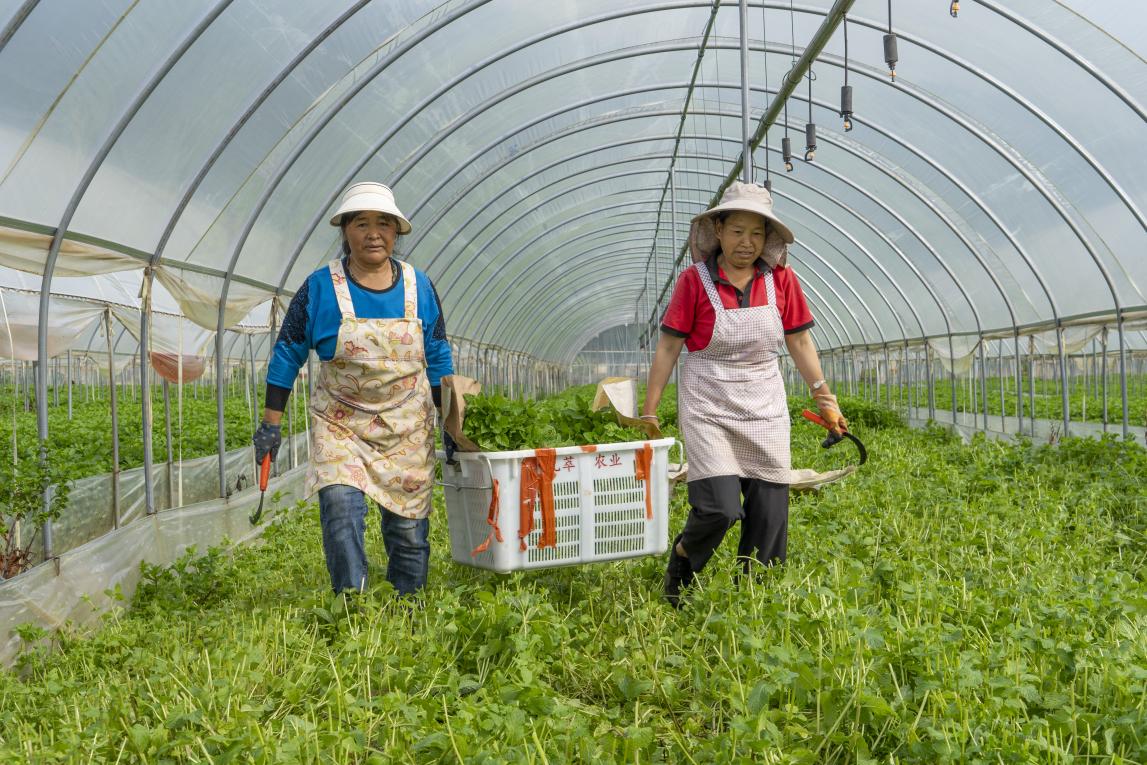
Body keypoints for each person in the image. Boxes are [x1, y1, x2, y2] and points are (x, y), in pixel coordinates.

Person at [640, 181, 847, 608]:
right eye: (737, 231)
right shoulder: (694, 281)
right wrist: (650, 410)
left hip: (764, 403)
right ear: (717, 230)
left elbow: (800, 342)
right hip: (708, 404)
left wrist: (825, 399)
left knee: (769, 514)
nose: (746, 242)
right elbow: (669, 347)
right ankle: (683, 559)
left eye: (756, 233)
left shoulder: (781, 280)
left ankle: (755, 601)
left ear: (767, 237)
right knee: (719, 509)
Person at [252, 182, 453, 596]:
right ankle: (351, 604)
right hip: (341, 424)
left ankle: (408, 603)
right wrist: (270, 424)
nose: (373, 234)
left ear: (396, 232)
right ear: (345, 230)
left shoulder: (419, 286)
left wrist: (451, 422)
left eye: (383, 224)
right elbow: (288, 352)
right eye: (361, 223)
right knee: (340, 507)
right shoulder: (320, 287)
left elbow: (438, 355)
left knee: (408, 528)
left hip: (406, 427)